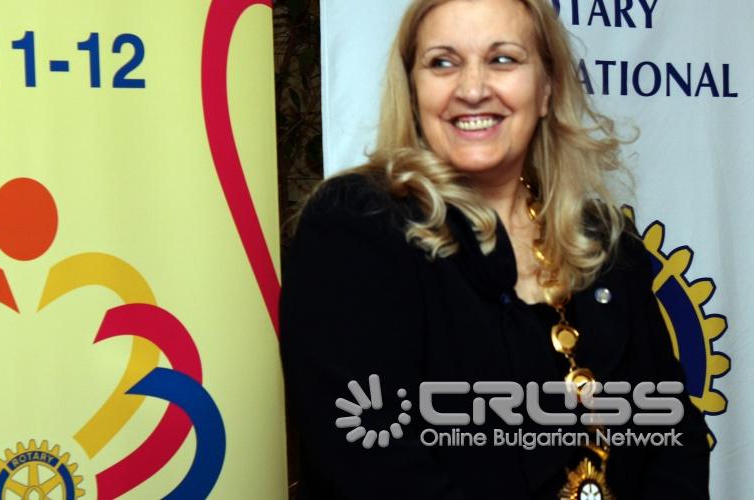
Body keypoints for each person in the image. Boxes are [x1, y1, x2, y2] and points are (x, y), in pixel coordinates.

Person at [280, 0, 711, 498]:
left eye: (503, 59)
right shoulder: (357, 224)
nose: (472, 89)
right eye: (443, 62)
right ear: (414, 90)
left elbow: (674, 436)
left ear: (546, 89)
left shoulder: (605, 240)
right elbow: (371, 462)